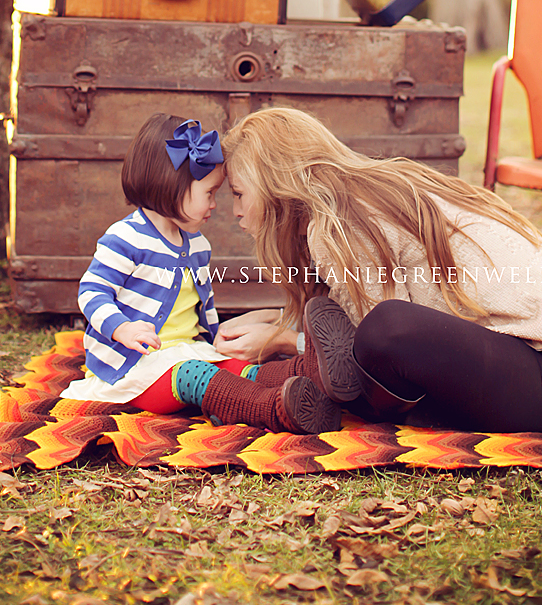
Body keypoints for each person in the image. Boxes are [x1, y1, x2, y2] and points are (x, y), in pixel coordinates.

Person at [214, 107, 542, 433]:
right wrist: (280, 320)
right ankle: (289, 388)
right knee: (375, 338)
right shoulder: (362, 193)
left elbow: (373, 344)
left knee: (383, 331)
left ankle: (274, 385)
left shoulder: (340, 219)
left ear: (272, 182)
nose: (235, 212)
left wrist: (283, 338)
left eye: (238, 193)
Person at [61, 112, 340, 434]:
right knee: (197, 376)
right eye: (209, 193)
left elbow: (200, 305)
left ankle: (313, 375)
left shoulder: (196, 245)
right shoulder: (125, 238)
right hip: (137, 367)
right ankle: (275, 410)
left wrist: (215, 339)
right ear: (171, 186)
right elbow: (92, 292)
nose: (215, 205)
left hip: (185, 351)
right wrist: (121, 328)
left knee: (240, 370)